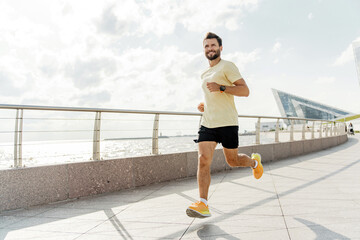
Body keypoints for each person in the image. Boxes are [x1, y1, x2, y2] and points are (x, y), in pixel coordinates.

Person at [186, 32, 264, 219]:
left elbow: (245, 91)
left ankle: (254, 162)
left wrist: (221, 87)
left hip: (227, 122)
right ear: (203, 49)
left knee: (233, 160)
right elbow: (212, 94)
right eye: (206, 46)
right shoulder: (204, 73)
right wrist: (205, 104)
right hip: (208, 122)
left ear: (220, 48)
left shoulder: (227, 66)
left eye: (213, 45)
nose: (210, 49)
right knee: (203, 159)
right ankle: (203, 204)